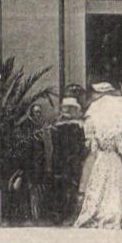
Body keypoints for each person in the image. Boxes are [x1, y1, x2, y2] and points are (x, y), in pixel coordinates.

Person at [75, 84, 122, 229]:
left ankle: (96, 213)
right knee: (113, 187)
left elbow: (93, 148)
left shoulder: (96, 124)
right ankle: (113, 216)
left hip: (100, 159)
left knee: (98, 186)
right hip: (113, 160)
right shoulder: (115, 130)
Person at [50, 92, 86, 223]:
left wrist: (78, 158)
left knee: (72, 186)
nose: (67, 111)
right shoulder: (58, 125)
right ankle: (59, 214)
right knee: (60, 186)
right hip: (60, 159)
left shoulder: (77, 125)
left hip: (71, 160)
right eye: (65, 108)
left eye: (69, 108)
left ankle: (69, 214)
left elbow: (81, 144)